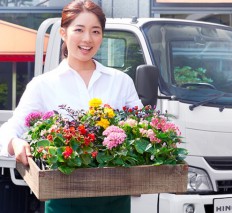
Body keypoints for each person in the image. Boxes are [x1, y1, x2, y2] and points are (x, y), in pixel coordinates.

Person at [0, 0, 142, 212]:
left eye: (95, 31)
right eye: (79, 30)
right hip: (63, 200)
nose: (87, 39)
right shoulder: (43, 85)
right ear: (63, 33)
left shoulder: (120, 81)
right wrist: (16, 143)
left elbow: (141, 126)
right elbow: (10, 129)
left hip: (115, 198)